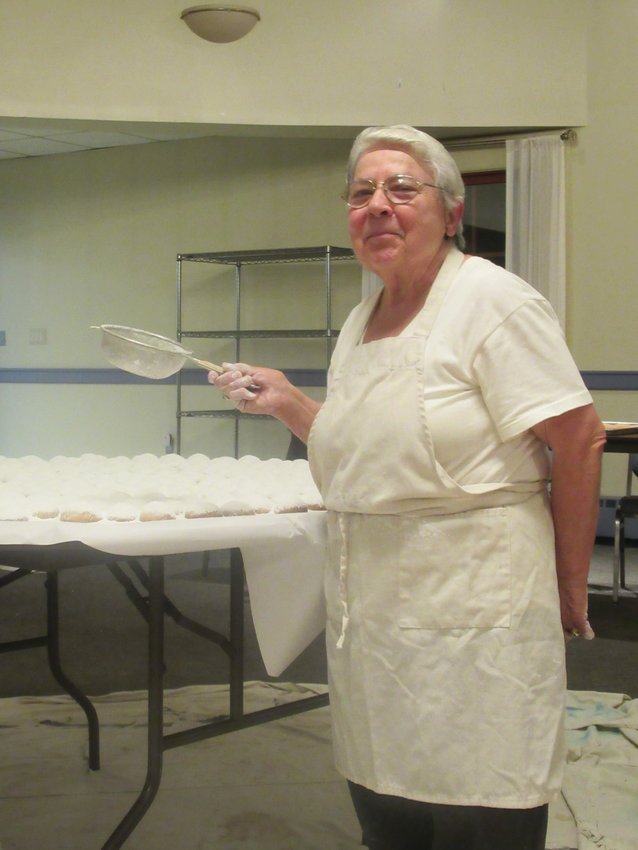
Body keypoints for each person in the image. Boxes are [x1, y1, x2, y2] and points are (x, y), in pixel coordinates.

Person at [209, 125, 606, 850]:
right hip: (378, 624)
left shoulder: (493, 300)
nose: (378, 206)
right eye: (361, 193)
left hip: (476, 611)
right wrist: (289, 401)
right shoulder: (361, 322)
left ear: (450, 213)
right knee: (387, 804)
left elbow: (578, 438)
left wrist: (569, 585)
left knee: (478, 801)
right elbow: (366, 450)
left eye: (401, 188)